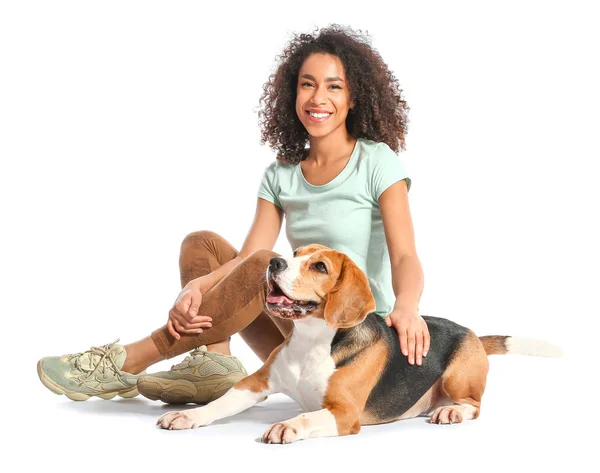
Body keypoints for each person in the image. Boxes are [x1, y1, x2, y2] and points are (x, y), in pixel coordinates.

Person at [37, 24, 430, 404]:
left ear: (354, 97)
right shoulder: (281, 173)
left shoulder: (377, 163)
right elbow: (247, 260)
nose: (318, 97)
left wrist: (407, 307)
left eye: (334, 86)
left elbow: (404, 256)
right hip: (294, 326)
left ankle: (133, 357)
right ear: (292, 92)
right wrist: (198, 286)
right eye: (307, 83)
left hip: (351, 333)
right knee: (202, 244)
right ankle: (215, 361)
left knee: (266, 264)